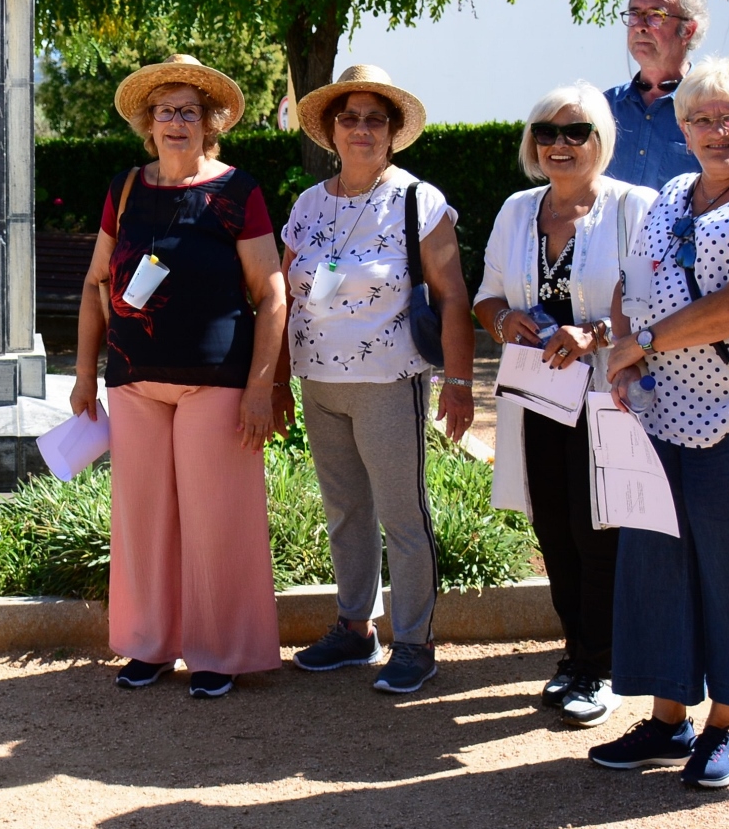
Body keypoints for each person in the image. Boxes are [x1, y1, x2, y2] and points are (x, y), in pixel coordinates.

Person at [590, 56, 729, 790]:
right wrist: (626, 354)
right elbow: (635, 279)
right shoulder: (674, 194)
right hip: (660, 411)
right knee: (656, 567)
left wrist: (645, 343)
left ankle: (725, 727)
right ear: (680, 127)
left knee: (727, 570)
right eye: (700, 118)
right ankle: (666, 719)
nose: (716, 132)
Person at [70, 55, 287, 700]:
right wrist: (85, 374)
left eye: (189, 111)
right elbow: (95, 284)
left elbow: (271, 294)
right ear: (148, 123)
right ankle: (148, 646)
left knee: (217, 520)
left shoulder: (236, 192)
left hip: (215, 382)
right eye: (165, 111)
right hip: (133, 380)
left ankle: (219, 652)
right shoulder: (126, 188)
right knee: (142, 520)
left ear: (210, 123)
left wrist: (260, 387)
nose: (175, 121)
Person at [275, 65, 475, 696]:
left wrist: (461, 382)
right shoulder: (308, 204)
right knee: (345, 511)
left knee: (402, 515)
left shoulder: (418, 200)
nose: (361, 128)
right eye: (349, 117)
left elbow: (451, 297)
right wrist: (276, 381)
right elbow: (284, 297)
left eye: (374, 118)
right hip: (319, 382)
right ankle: (355, 629)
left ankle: (415, 642)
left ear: (392, 133)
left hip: (390, 380)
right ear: (331, 130)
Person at [473, 82, 656, 728]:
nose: (559, 144)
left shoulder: (636, 208)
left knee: (599, 529)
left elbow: (660, 301)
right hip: (537, 399)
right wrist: (504, 323)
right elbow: (486, 297)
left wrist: (598, 334)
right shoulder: (517, 211)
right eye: (546, 132)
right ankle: (575, 656)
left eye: (575, 131)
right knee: (554, 528)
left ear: (601, 141)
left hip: (612, 398)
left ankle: (603, 667)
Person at [604, 0, 729, 189]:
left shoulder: (724, 105)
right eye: (634, 14)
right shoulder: (605, 107)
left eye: (655, 16)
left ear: (688, 30)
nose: (640, 26)